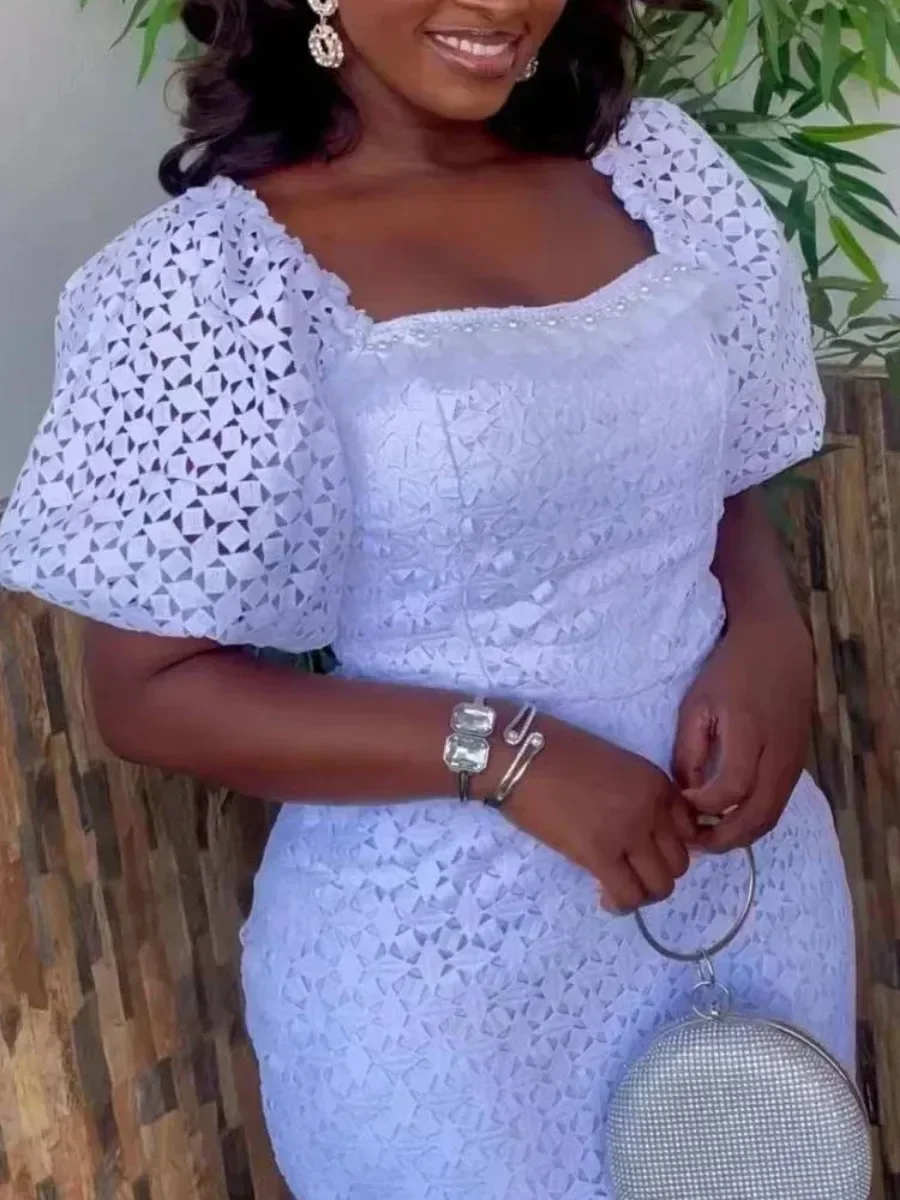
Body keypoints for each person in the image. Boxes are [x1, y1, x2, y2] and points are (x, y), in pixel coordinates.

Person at [0, 0, 855, 1196]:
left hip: (745, 889)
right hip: (444, 980)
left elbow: (724, 495)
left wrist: (769, 634)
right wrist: (509, 755)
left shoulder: (662, 175)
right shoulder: (211, 281)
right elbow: (147, 693)